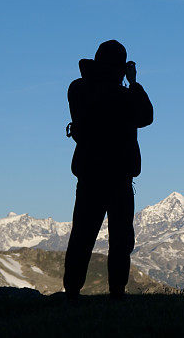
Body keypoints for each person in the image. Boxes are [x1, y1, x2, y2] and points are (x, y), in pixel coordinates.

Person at [63, 40, 153, 300]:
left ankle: (71, 292)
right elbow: (146, 115)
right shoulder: (124, 96)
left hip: (89, 174)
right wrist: (133, 82)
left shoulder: (78, 89)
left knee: (82, 235)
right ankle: (117, 292)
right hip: (119, 177)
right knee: (121, 240)